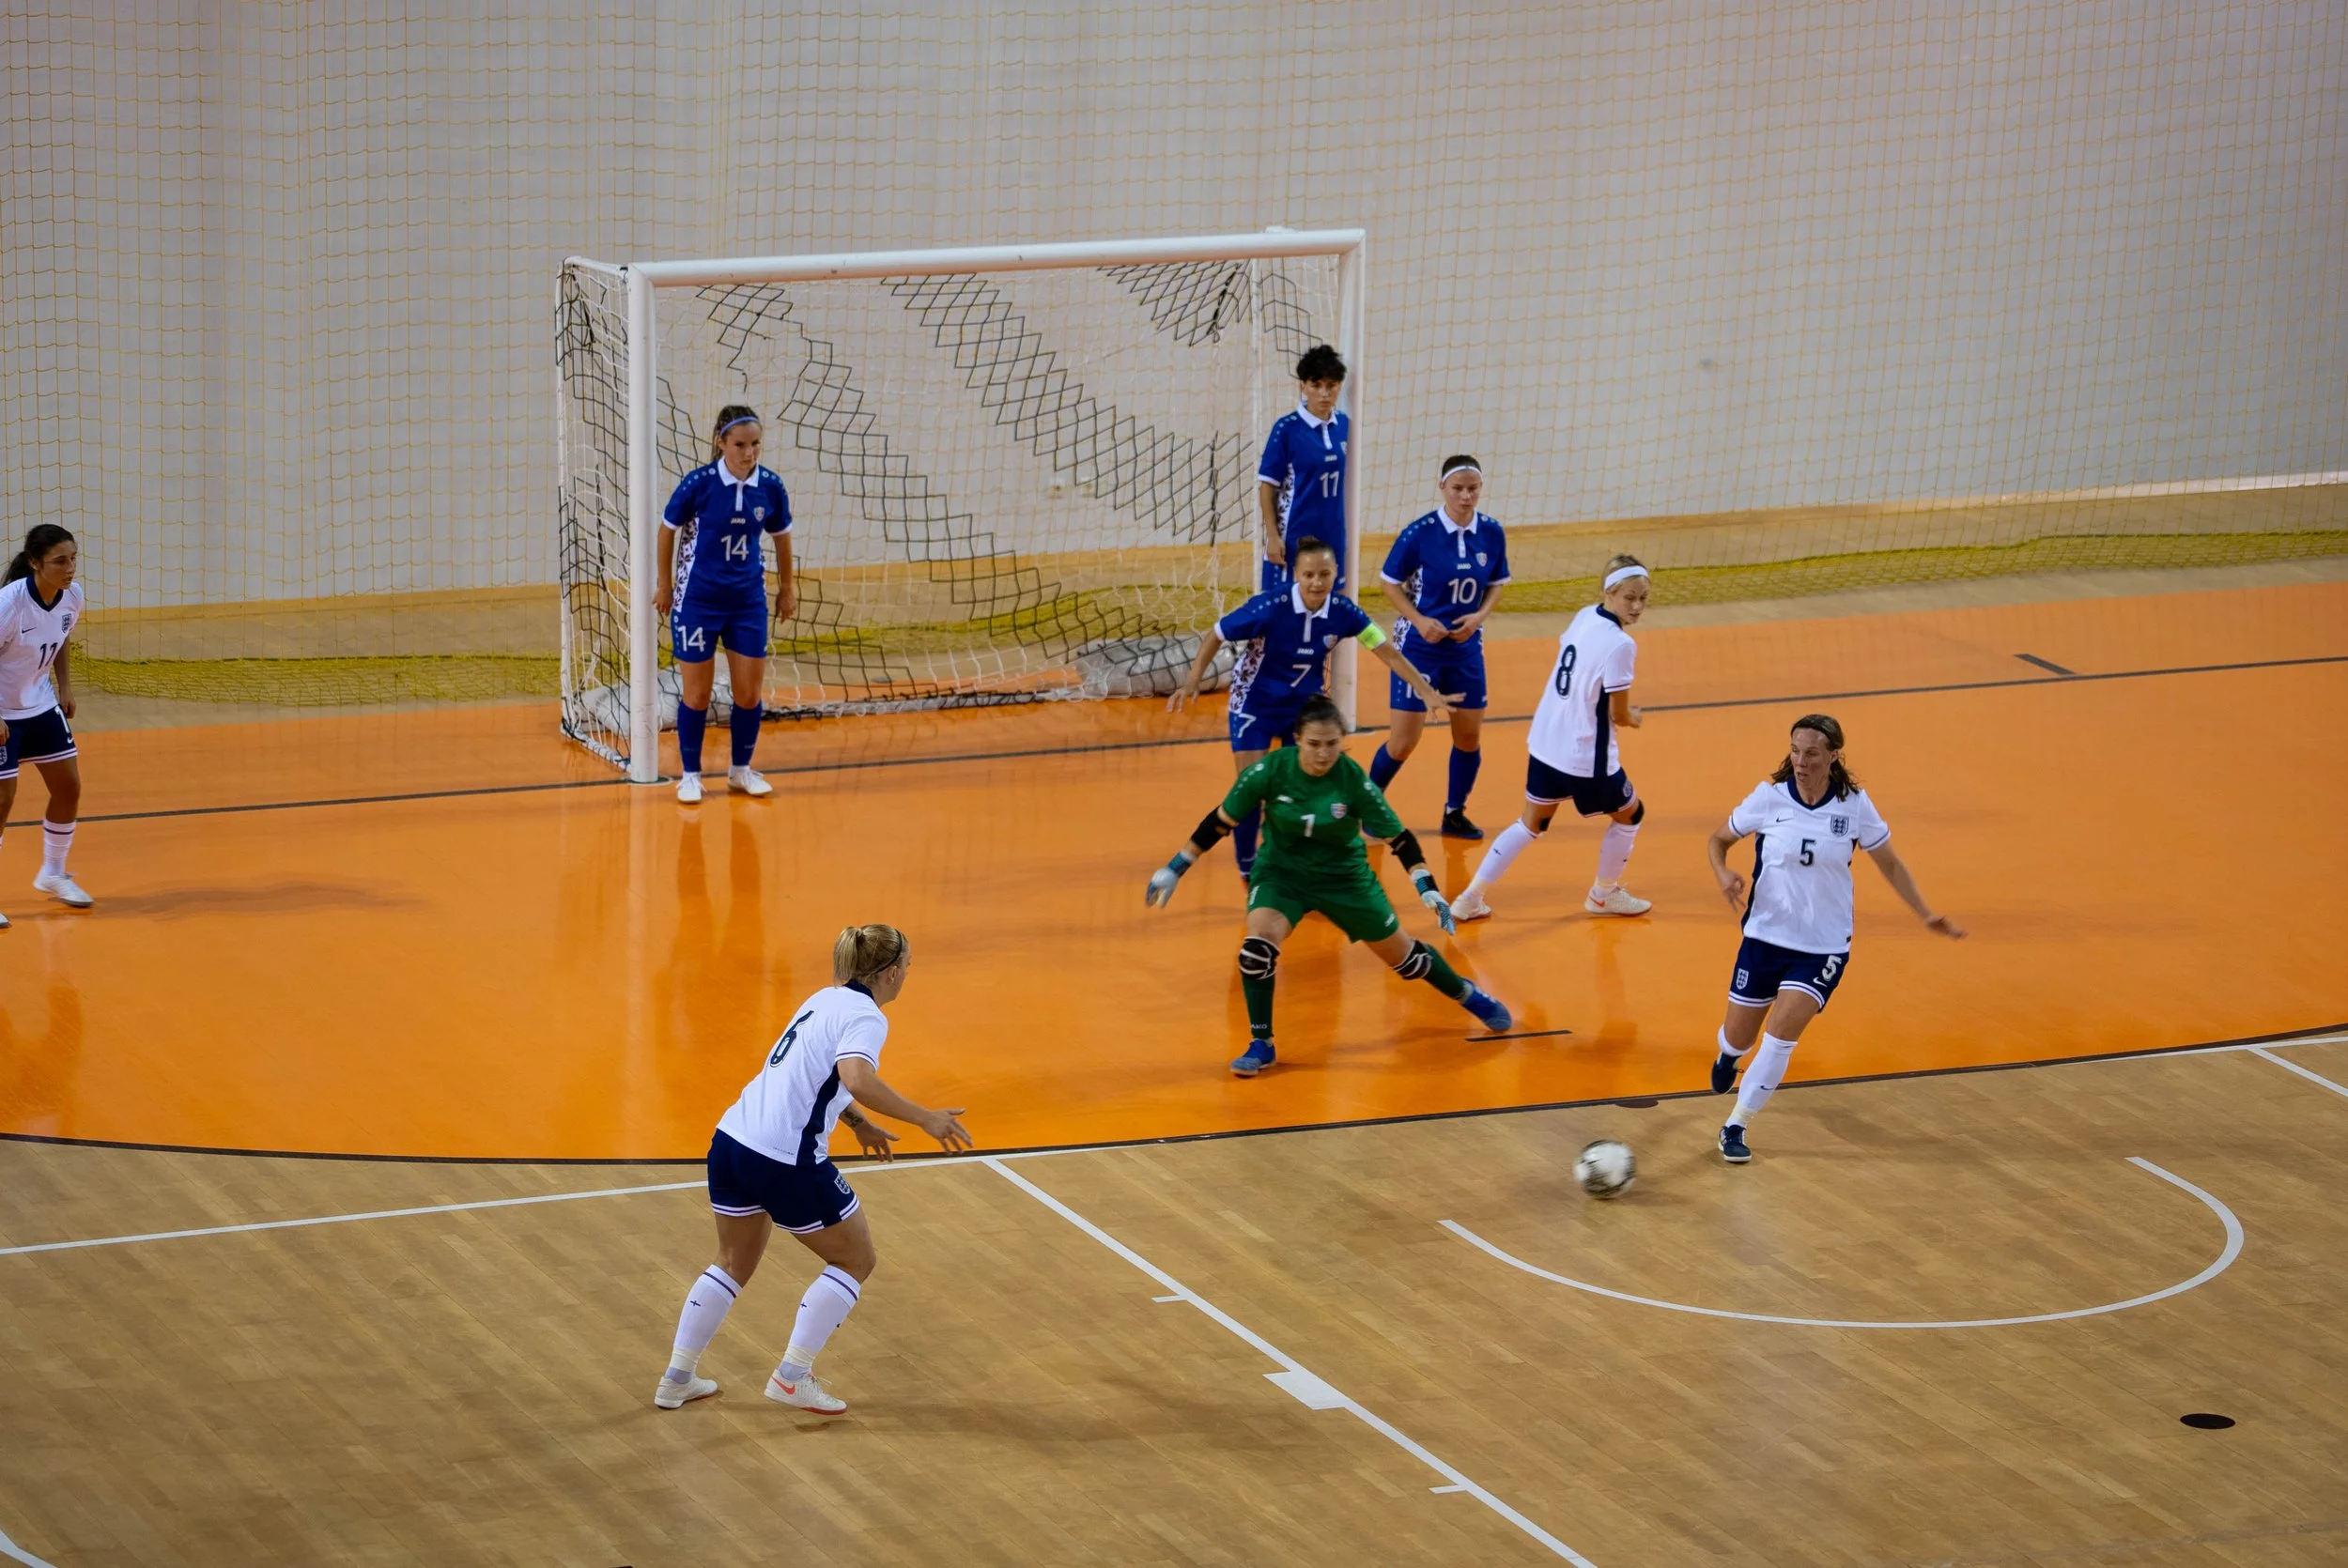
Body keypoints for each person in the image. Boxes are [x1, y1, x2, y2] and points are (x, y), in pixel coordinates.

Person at [654, 924, 972, 1414]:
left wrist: (858, 1123)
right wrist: (925, 1117)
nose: (909, 973)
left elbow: (807, 1074)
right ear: (890, 973)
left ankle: (676, 1378)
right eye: (908, 965)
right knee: (855, 1260)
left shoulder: (824, 999)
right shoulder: (868, 1018)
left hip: (732, 1142)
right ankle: (791, 1376)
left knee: (732, 1264)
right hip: (785, 1159)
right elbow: (856, 1077)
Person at [1146, 693, 1514, 1076]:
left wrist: (1427, 887)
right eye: (1314, 745)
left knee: (1408, 962)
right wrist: (1175, 867)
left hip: (1345, 879)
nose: (1323, 754)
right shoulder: (1270, 770)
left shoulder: (1353, 780)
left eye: (1332, 745)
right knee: (1255, 952)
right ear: (1297, 740)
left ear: (1343, 741)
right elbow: (1220, 821)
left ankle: (1467, 994)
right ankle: (1262, 1044)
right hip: (1282, 876)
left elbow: (1400, 840)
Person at [1703, 715, 1965, 1163]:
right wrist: (1723, 872)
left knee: (1782, 1034)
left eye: (1811, 754)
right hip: (1765, 936)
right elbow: (1717, 840)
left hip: (1823, 945)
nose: (1800, 762)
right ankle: (1729, 1055)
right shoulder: (1768, 800)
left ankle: (1736, 1124)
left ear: (1832, 757)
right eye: (1795, 751)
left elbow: (1891, 864)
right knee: (1739, 1034)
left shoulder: (1853, 805)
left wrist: (1925, 913)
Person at [1171, 538, 1451, 877]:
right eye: (1308, 575)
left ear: (1336, 574)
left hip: (1303, 711)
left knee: (1303, 789)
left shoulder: (1344, 612)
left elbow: (1385, 650)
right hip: (1255, 706)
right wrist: (1192, 680)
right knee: (1251, 790)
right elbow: (1215, 634)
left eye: (1324, 574)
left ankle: (1296, 860)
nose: (1316, 582)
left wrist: (1425, 690)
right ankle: (1248, 868)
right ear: (1295, 575)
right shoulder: (1270, 607)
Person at [1450, 555, 1653, 924]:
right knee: (1630, 815)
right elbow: (1619, 714)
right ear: (1610, 591)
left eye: (1643, 598)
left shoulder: (1584, 616)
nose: (1637, 606)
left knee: (1530, 824)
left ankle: (1469, 898)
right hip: (1585, 757)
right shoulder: (1621, 645)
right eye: (1630, 597)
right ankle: (1603, 895)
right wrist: (1634, 717)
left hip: (1546, 744)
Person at [656, 405, 797, 805]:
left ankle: (740, 771)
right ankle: (690, 775)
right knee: (697, 695)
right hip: (699, 600)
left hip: (747, 601)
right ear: (721, 443)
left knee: (748, 694)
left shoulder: (770, 486)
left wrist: (787, 588)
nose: (749, 453)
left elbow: (782, 536)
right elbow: (666, 532)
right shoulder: (698, 484)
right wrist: (665, 587)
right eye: (740, 444)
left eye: (755, 444)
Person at [1367, 455, 1511, 839]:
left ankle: (1454, 812)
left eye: (1473, 489)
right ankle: (1368, 808)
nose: (1466, 496)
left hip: (1464, 648)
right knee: (1403, 741)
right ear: (1442, 488)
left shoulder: (1492, 532)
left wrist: (1479, 616)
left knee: (1468, 737)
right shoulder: (1420, 533)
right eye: (1458, 489)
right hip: (1419, 647)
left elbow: (1497, 581)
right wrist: (1418, 620)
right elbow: (1388, 583)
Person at [0, 525, 92, 924]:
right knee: (2, 802)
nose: (70, 568)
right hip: (4, 710)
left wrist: (65, 685)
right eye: (60, 561)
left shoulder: (72, 597)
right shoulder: (9, 604)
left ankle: (52, 874)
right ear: (35, 563)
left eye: (73, 558)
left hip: (39, 705)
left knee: (69, 787)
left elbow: (62, 635)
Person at [1257, 345, 1350, 592]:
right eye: (1316, 385)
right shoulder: (1286, 429)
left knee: (1330, 602)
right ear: (1303, 386)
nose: (1324, 394)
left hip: (1333, 532)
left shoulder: (1345, 425)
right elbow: (1267, 486)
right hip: (1295, 535)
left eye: (1331, 386)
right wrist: (1273, 537)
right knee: (1284, 605)